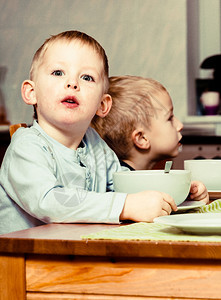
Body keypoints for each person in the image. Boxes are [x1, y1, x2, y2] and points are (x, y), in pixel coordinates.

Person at [0, 31, 177, 234]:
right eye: (58, 72)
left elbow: (122, 181)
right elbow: (49, 202)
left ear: (102, 105)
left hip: (75, 253)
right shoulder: (27, 146)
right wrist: (125, 206)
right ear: (32, 93)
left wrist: (174, 189)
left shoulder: (94, 143)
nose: (72, 83)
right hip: (21, 258)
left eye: (87, 77)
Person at [92, 75, 209, 203]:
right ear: (142, 138)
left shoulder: (143, 183)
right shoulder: (120, 189)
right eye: (169, 118)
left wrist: (189, 195)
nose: (180, 125)